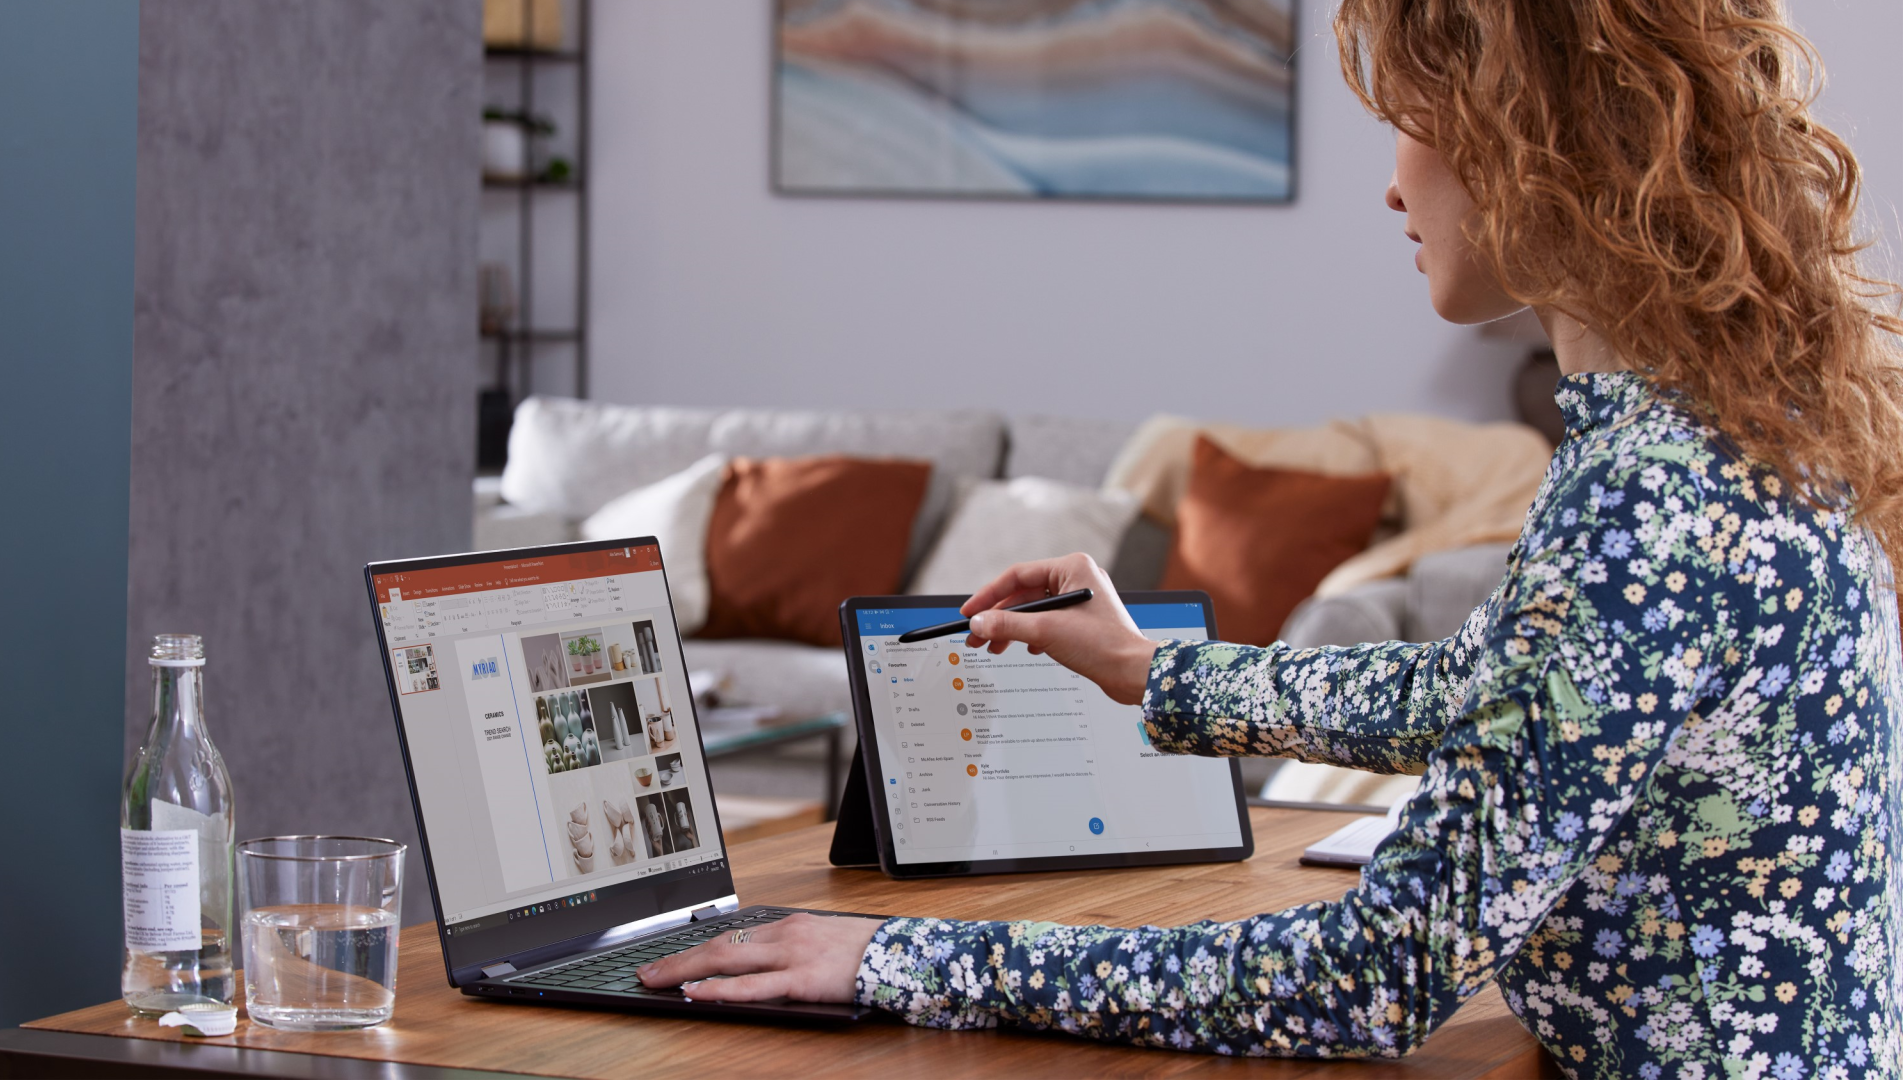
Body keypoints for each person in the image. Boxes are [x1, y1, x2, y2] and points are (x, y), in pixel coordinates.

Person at [641, 0, 1903, 1073]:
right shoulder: (1720, 433)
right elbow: (1488, 696)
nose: (1393, 177)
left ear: (1536, 147)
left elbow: (1378, 971)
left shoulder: (1654, 500)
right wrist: (1152, 671)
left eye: (1411, 121)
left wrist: (897, 955)